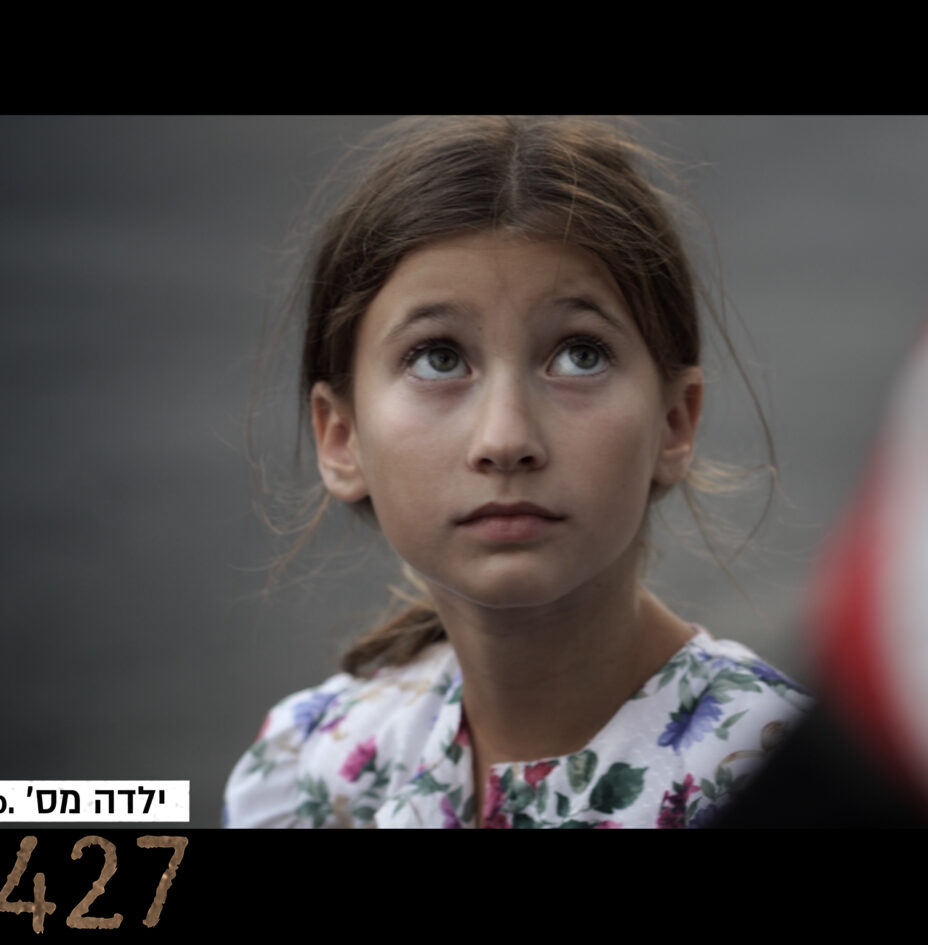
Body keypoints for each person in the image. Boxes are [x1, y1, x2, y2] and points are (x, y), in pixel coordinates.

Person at [222, 116, 811, 828]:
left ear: (674, 421)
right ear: (341, 436)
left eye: (579, 355)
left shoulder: (775, 778)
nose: (506, 439)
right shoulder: (316, 770)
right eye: (439, 357)